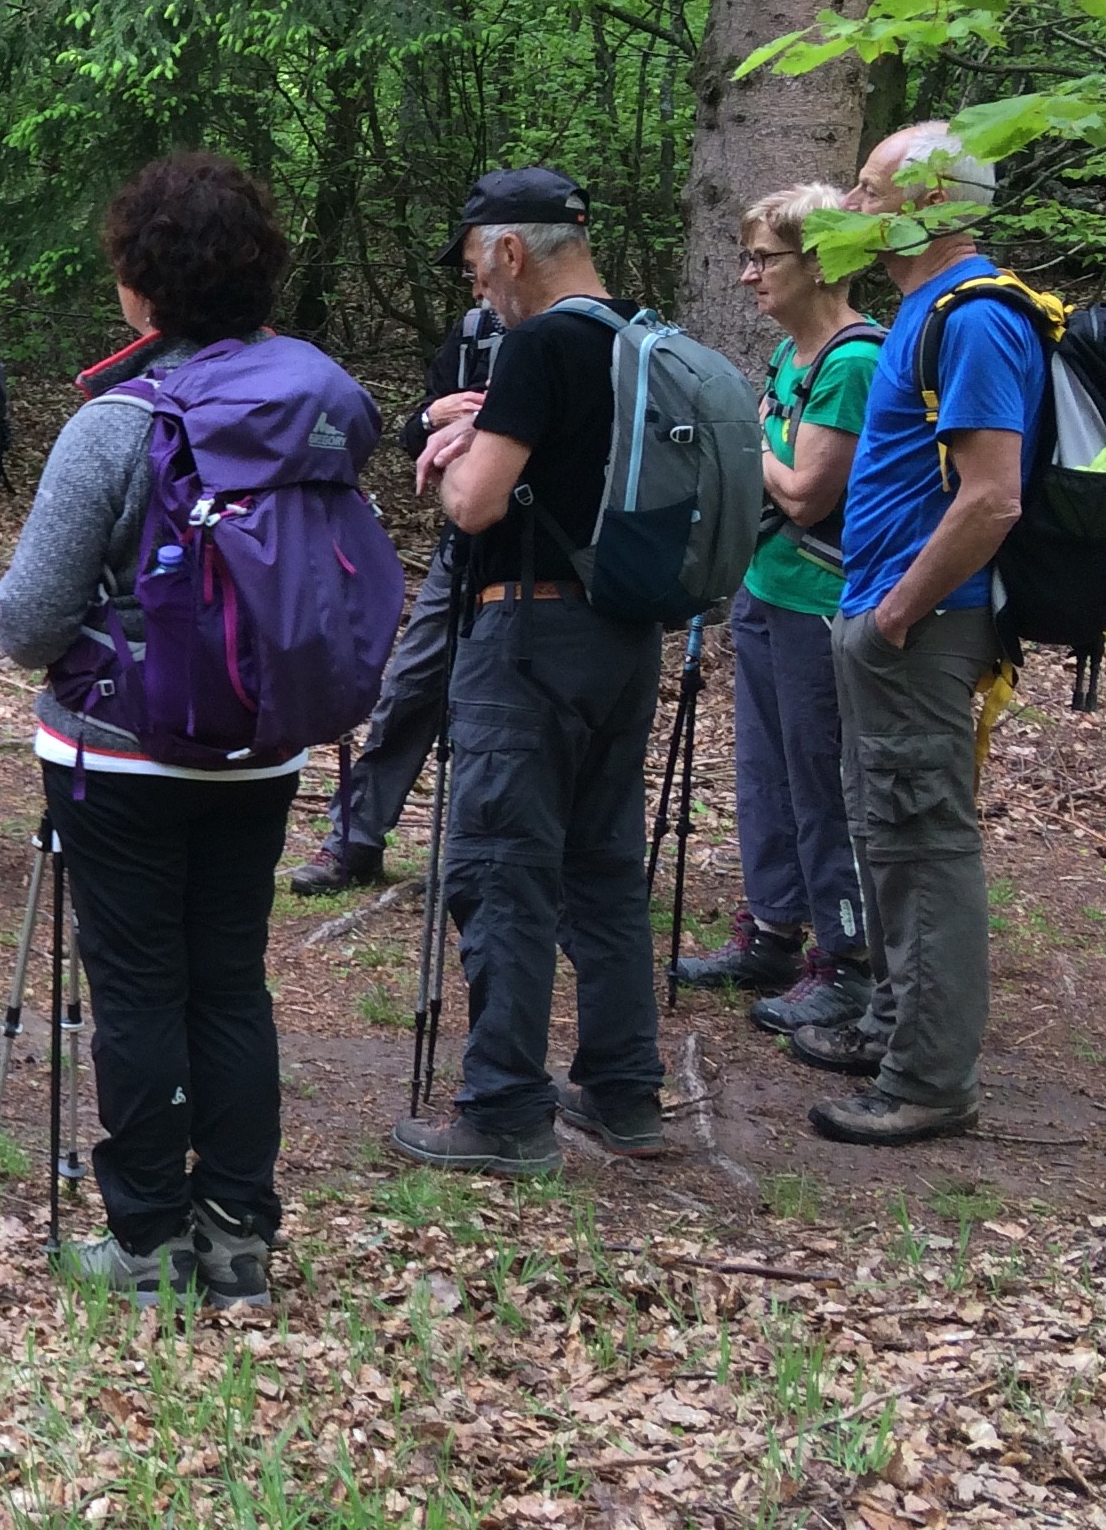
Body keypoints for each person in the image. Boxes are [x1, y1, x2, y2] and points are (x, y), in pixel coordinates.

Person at [0, 152, 341, 1308]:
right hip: (265, 741)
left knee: (138, 987)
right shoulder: (314, 406)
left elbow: (29, 621)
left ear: (142, 284)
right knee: (230, 980)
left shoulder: (116, 423)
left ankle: (146, 1241)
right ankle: (238, 1236)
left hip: (122, 747)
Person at [393, 167, 667, 1177]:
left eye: (477, 266)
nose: (479, 291)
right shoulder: (635, 335)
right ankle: (625, 1089)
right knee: (602, 865)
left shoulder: (541, 341)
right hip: (621, 635)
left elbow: (472, 505)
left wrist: (460, 447)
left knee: (503, 866)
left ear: (511, 250)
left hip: (527, 638)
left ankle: (505, 1106)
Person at [795, 124, 1031, 1143]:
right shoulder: (921, 312)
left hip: (921, 627)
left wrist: (895, 613)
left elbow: (993, 498)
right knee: (885, 832)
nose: (850, 201)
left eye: (867, 185)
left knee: (924, 842)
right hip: (885, 617)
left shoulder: (974, 317)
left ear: (927, 201)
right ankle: (893, 1027)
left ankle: (929, 1079)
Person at [672, 183, 880, 1037]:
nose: (749, 275)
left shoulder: (854, 361)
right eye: (748, 257)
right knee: (762, 770)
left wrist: (745, 440)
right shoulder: (790, 357)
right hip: (766, 589)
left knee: (821, 780)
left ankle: (846, 961)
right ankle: (771, 929)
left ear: (821, 260)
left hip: (823, 602)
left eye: (766, 258)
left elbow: (802, 492)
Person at [288, 296, 502, 894]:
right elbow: (413, 437)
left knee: (498, 709)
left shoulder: (576, 333)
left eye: (481, 268)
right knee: (409, 687)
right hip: (460, 549)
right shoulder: (473, 332)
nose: (479, 289)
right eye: (470, 277)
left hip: (546, 569)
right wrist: (434, 417)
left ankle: (483, 858)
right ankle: (352, 842)